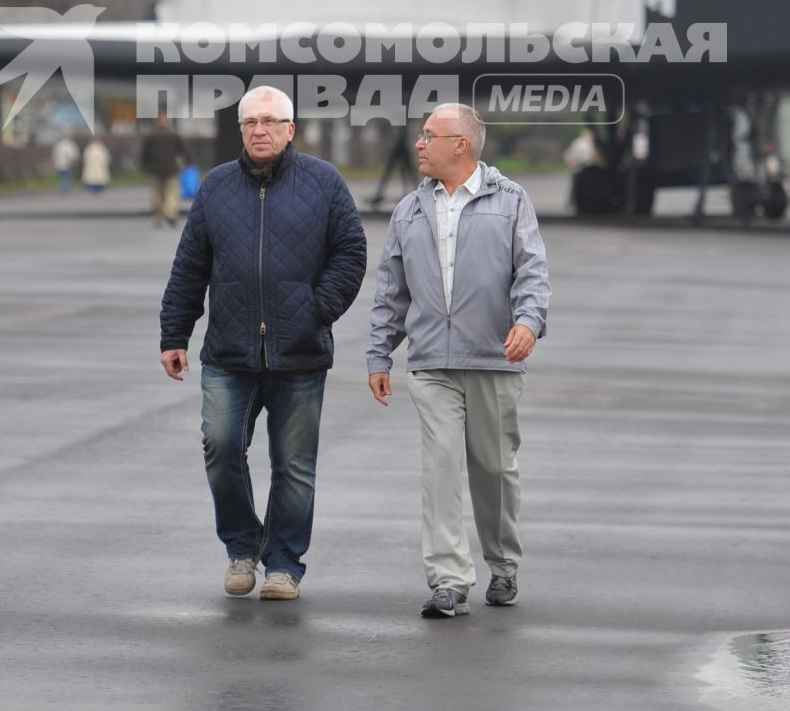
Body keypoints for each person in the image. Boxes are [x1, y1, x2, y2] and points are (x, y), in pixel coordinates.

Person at [159, 86, 367, 603]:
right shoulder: (216, 186)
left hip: (300, 353)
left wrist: (316, 309)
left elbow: (351, 253)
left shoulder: (323, 182)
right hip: (228, 352)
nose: (259, 130)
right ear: (241, 129)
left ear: (290, 129)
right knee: (221, 448)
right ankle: (241, 546)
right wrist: (174, 334)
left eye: (271, 122)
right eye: (251, 122)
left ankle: (283, 565)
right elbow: (190, 266)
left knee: (294, 466)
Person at [366, 103, 550, 620]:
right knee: (441, 467)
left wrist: (528, 323)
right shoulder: (409, 210)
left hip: (494, 357)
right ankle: (448, 580)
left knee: (493, 470)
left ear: (460, 144)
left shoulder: (512, 201)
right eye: (421, 136)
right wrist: (380, 351)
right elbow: (390, 292)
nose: (419, 144)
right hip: (430, 362)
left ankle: (504, 564)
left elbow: (533, 272)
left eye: (430, 136)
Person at [141, 110, 187, 228]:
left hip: (155, 170)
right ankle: (170, 213)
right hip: (171, 169)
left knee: (157, 195)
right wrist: (188, 162)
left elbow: (144, 153)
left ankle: (159, 217)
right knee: (172, 193)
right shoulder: (173, 134)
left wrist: (145, 166)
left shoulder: (151, 135)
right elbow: (182, 150)